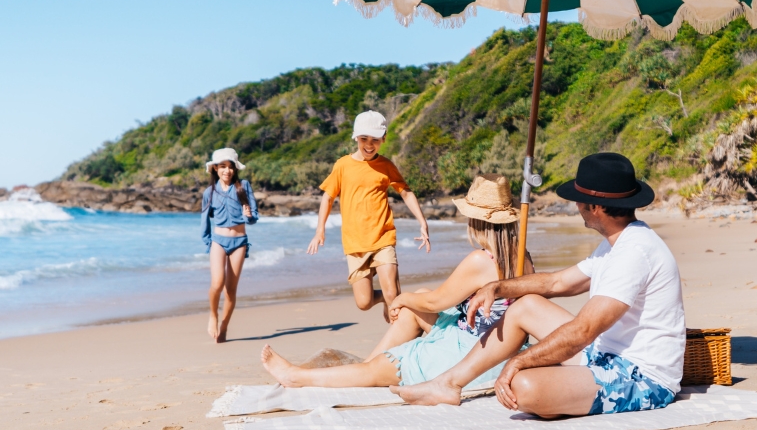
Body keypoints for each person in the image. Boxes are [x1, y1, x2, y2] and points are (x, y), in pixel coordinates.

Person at [393, 153, 686, 420]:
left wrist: (519, 361)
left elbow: (583, 331)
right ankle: (448, 383)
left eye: (579, 200)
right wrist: (498, 288)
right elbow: (557, 282)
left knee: (523, 387)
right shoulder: (614, 244)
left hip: (641, 377)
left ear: (595, 207)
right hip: (604, 353)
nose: (576, 206)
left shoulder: (633, 253)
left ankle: (552, 384)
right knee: (526, 306)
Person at [262, 174, 534, 388]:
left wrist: (401, 298)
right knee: (416, 304)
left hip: (474, 352)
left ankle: (296, 377)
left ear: (476, 220)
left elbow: (437, 301)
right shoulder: (522, 255)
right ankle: (366, 367)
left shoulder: (481, 260)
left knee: (408, 317)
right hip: (503, 345)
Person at [307, 110, 430, 326]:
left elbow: (405, 192)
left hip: (383, 237)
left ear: (383, 139)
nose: (369, 144)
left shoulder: (386, 165)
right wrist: (320, 230)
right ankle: (384, 297)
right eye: (364, 139)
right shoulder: (343, 165)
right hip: (355, 244)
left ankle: (400, 341)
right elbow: (327, 198)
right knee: (363, 303)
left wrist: (422, 222)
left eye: (375, 139)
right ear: (356, 137)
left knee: (393, 294)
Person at [201, 147, 258, 343]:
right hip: (218, 240)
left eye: (230, 167)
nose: (227, 171)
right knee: (217, 283)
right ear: (215, 168)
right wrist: (208, 242)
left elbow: (253, 217)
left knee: (230, 289)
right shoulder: (210, 192)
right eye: (223, 166)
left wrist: (248, 216)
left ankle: (224, 326)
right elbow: (205, 220)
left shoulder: (244, 186)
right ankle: (213, 315)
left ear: (235, 169)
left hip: (239, 242)